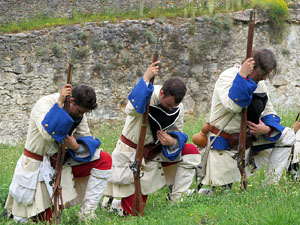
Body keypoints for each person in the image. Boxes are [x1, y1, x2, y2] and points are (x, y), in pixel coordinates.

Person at [102, 61, 201, 216]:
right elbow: (131, 109)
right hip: (131, 152)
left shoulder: (176, 107)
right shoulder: (147, 94)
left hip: (154, 153)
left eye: (173, 106)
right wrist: (146, 79)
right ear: (162, 93)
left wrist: (172, 141)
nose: (170, 109)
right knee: (129, 212)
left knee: (191, 152)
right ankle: (114, 200)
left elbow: (177, 131)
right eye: (168, 104)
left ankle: (177, 199)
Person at [4, 84, 112, 223]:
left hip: (60, 163)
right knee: (44, 221)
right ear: (71, 100)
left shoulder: (79, 113)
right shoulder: (44, 104)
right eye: (79, 111)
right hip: (37, 167)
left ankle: (87, 215)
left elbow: (85, 137)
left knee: (103, 159)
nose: (80, 115)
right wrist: (60, 104)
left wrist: (76, 146)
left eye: (83, 113)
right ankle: (15, 214)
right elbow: (47, 134)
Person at [200, 48, 295, 188]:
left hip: (249, 141)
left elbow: (269, 111)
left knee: (288, 135)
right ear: (252, 66)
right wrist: (243, 78)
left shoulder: (260, 83)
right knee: (216, 192)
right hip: (225, 144)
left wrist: (267, 128)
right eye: (262, 73)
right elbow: (233, 105)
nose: (264, 78)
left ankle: (268, 187)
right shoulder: (228, 77)